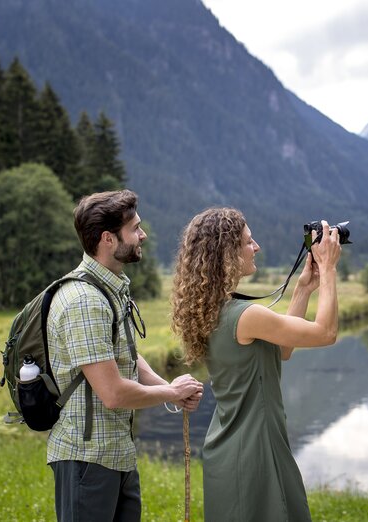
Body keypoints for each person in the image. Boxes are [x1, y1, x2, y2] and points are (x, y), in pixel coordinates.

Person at [171, 207, 341, 522]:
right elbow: (326, 333)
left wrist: (303, 288)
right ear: (227, 253)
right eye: (249, 242)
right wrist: (329, 269)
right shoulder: (246, 316)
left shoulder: (215, 311)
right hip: (256, 452)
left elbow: (284, 349)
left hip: (230, 451)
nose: (257, 247)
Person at [47, 189, 204, 522]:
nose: (142, 234)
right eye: (135, 228)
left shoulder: (110, 288)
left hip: (117, 454)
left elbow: (128, 358)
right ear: (108, 238)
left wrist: (171, 392)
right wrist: (172, 392)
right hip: (87, 460)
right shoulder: (84, 301)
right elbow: (113, 393)